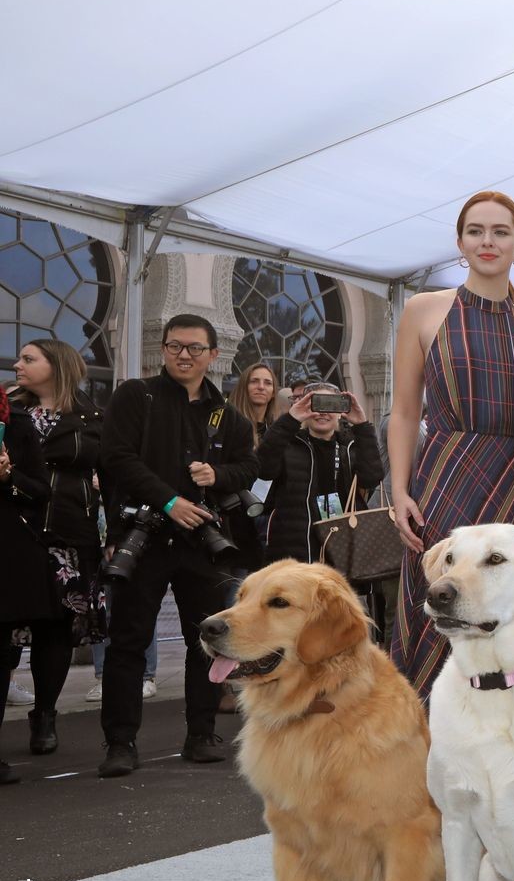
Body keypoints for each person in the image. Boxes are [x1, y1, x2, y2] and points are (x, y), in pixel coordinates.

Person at [388, 190, 514, 695]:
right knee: (438, 604)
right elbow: (404, 411)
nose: (487, 241)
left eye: (501, 232)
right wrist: (399, 490)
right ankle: (423, 733)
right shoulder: (424, 310)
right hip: (443, 481)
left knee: (506, 613)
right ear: (460, 243)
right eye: (475, 231)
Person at [95, 314, 259, 776]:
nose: (183, 355)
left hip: (201, 543)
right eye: (175, 346)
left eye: (194, 348)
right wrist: (169, 501)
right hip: (143, 537)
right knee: (129, 641)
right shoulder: (136, 396)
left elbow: (250, 468)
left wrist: (217, 475)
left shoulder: (227, 415)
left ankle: (201, 734)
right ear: (163, 349)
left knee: (208, 641)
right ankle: (120, 743)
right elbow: (115, 456)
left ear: (213, 355)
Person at [0, 340, 108, 763]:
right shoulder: (10, 410)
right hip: (15, 531)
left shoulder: (92, 416)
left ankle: (44, 714)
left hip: (69, 531)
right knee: (7, 626)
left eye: (29, 359)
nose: (17, 364)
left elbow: (110, 471)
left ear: (57, 365)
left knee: (58, 629)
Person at [255, 381, 384, 566]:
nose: (323, 412)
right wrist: (290, 419)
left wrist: (362, 426)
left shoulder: (350, 445)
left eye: (330, 405)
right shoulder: (288, 444)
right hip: (294, 550)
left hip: (342, 549)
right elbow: (263, 469)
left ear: (341, 410)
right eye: (317, 404)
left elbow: (371, 478)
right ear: (305, 408)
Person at [233, 363, 285, 446]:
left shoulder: (277, 431)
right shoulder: (229, 423)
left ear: (273, 393)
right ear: (244, 387)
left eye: (268, 383)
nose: (261, 387)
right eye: (254, 381)